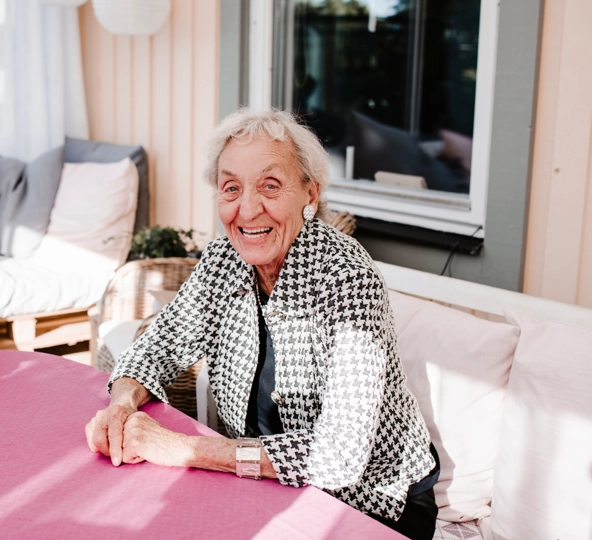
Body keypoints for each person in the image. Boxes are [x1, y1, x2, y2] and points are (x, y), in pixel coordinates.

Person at [84, 108, 440, 540]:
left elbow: (340, 456)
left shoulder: (347, 279)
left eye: (270, 185)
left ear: (310, 193)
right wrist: (121, 404)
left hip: (372, 500)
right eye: (231, 187)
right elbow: (159, 346)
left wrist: (186, 448)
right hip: (268, 480)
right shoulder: (223, 260)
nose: (248, 209)